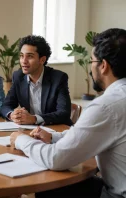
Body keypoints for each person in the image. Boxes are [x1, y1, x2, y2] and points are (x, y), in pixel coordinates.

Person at [10, 28, 126, 198]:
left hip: (116, 194)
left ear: (103, 66)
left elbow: (56, 159)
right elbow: (87, 132)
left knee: (49, 186)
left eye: (91, 62)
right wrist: (53, 137)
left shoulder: (105, 106)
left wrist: (21, 140)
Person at [1, 35, 72, 126]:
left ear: (42, 60)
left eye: (29, 56)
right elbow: (5, 106)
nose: (24, 61)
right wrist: (12, 115)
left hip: (56, 129)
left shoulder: (58, 78)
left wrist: (34, 119)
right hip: (31, 130)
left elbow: (64, 113)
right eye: (22, 56)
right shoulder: (18, 76)